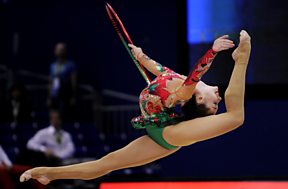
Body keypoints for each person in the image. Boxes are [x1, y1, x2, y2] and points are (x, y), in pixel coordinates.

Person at [20, 30, 251, 185]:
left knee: (235, 118)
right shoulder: (177, 79)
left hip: (169, 135)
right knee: (106, 163)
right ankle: (47, 173)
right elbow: (159, 69)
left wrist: (213, 51)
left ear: (198, 100)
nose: (218, 98)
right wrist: (141, 56)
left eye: (214, 103)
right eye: (218, 102)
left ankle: (241, 58)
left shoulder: (183, 93)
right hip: (159, 126)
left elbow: (197, 73)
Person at [48, 42, 77, 120]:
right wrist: (49, 97)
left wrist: (73, 96)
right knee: (54, 114)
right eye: (57, 49)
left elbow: (73, 82)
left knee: (64, 116)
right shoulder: (52, 66)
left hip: (65, 94)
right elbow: (50, 82)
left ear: (65, 51)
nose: (59, 51)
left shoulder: (70, 65)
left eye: (61, 49)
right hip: (54, 94)